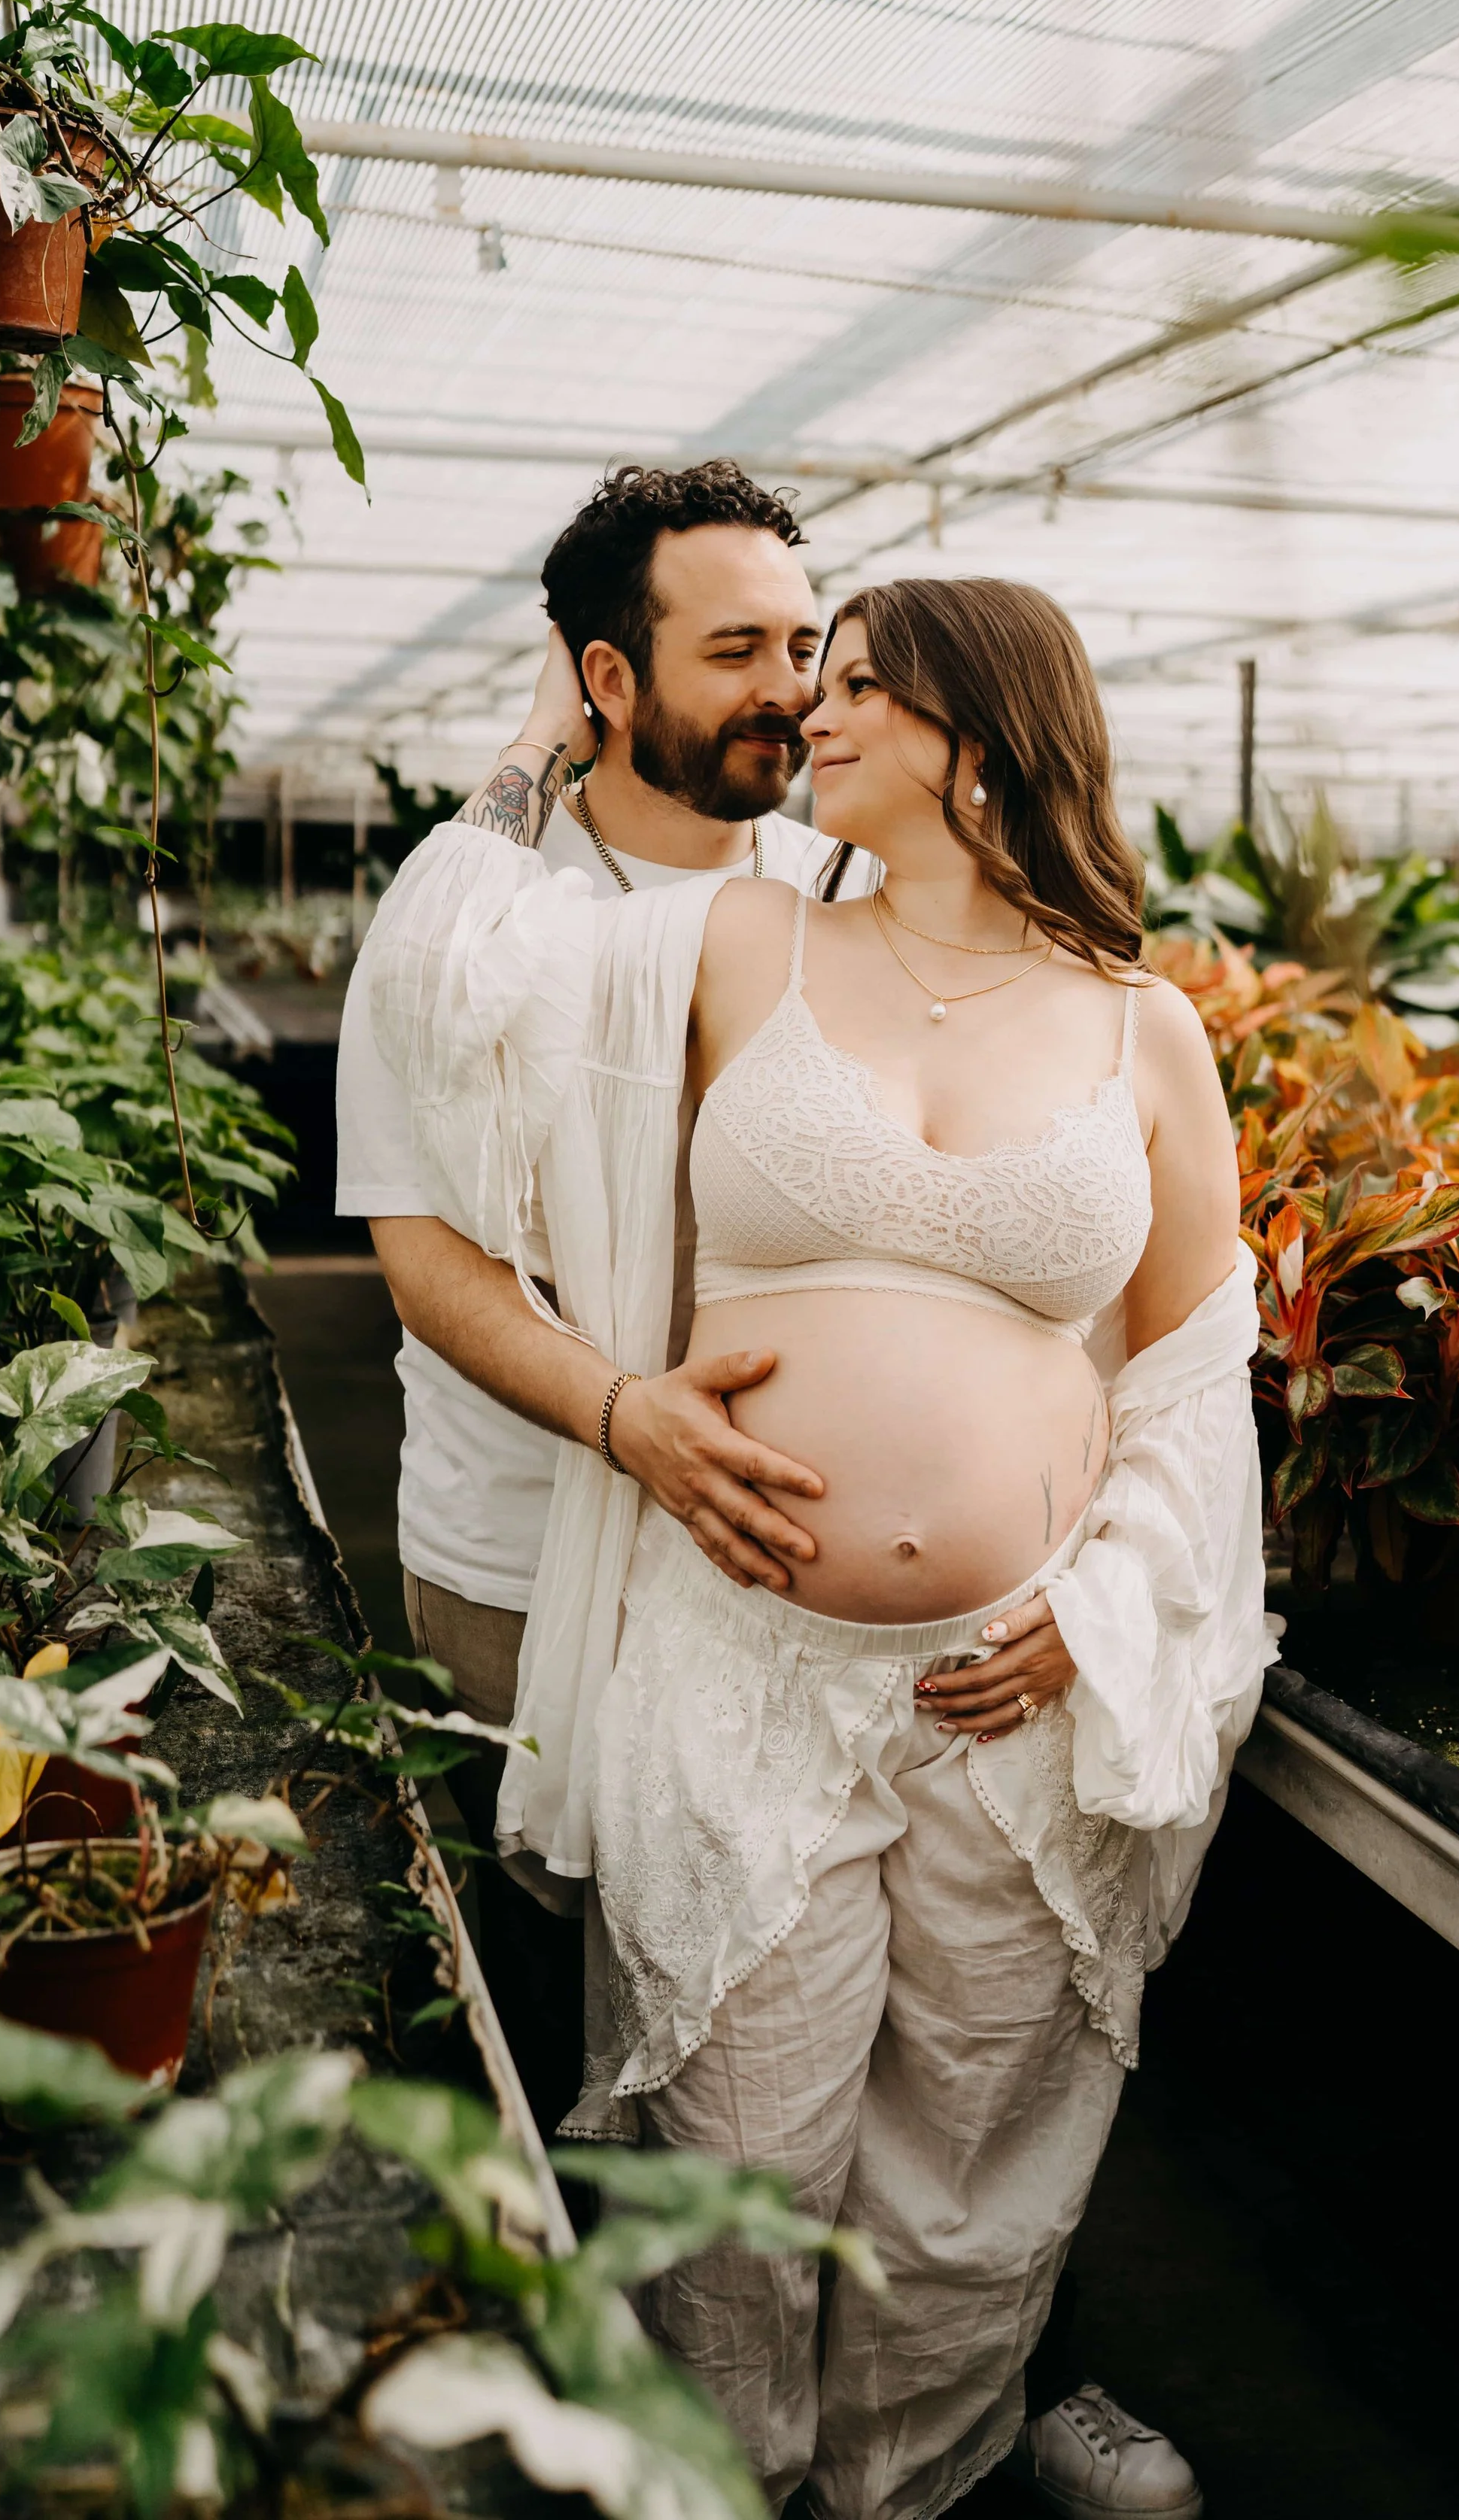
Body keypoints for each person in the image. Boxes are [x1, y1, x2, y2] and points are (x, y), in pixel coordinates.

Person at [357, 571, 1274, 2520]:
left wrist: (1108, 1604)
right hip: (741, 1664)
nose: (811, 712)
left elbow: (1196, 1369)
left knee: (965, 2176)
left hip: (1016, 1698)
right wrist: (547, 735)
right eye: (809, 676)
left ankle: (909, 2487)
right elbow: (446, 994)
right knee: (741, 2159)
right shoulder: (732, 938)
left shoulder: (1142, 1027)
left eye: (858, 684)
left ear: (982, 735)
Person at [336, 461, 872, 2134]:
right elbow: (426, 1259)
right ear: (608, 679)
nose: (789, 688)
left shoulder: (847, 897)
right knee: (549, 1992)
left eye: (804, 644)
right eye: (736, 650)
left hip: (774, 1560)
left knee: (747, 2001)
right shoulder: (473, 922)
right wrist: (628, 1416)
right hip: (524, 1558)